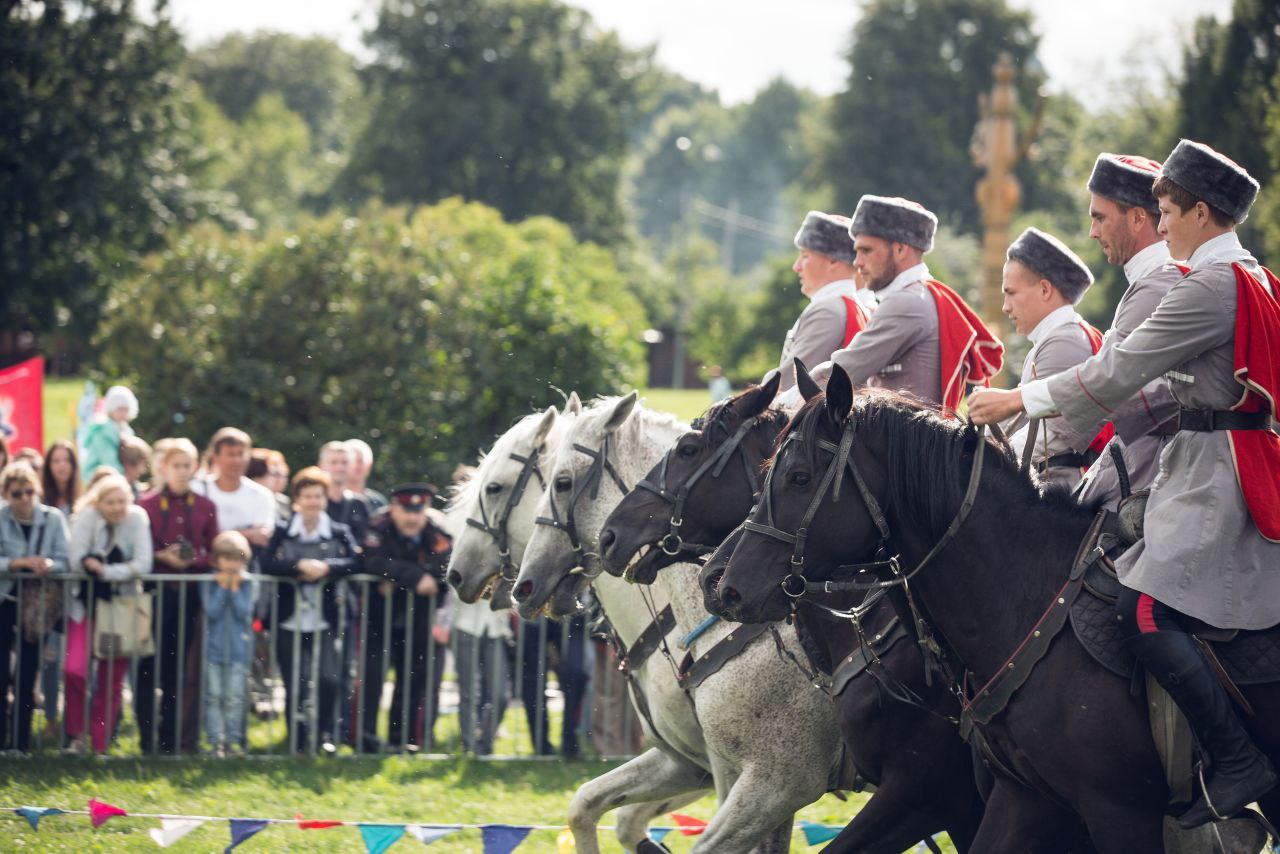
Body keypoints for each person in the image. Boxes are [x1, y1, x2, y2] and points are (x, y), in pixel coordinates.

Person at [969, 139, 1280, 827]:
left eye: (1168, 210)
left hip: (1213, 471)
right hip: (1221, 458)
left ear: (1203, 211)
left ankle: (1232, 758)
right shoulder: (1252, 278)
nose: (1160, 224)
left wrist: (1014, 402)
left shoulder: (1208, 284)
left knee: (1141, 610)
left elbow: (1117, 377)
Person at [816, 195, 1004, 411]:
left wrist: (782, 401)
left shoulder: (906, 302)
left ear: (900, 250)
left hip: (906, 443)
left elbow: (845, 371)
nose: (857, 262)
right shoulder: (919, 294)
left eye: (866, 250)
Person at [1075, 152, 1185, 508]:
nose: (1093, 232)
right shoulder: (1153, 281)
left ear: (1138, 218)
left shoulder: (1155, 285)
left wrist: (1023, 401)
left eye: (1100, 218)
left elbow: (1106, 391)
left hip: (1150, 476)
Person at [261, 467, 360, 754]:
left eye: (318, 496)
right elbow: (266, 563)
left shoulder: (339, 531)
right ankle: (298, 739)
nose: (313, 501)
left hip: (324, 618)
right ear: (297, 499)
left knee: (329, 677)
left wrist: (327, 567)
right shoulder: (282, 530)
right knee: (295, 680)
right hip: (288, 618)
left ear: (325, 499)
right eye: (307, 496)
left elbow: (357, 562)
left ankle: (323, 734)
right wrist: (297, 567)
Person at [999, 227, 1104, 489]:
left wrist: (984, 453)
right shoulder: (1052, 339)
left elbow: (1052, 435)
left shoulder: (1065, 342)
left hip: (1062, 493)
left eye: (1011, 292)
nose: (1005, 307)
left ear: (1045, 289)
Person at [135, 438, 218, 754]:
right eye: (176, 466)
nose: (182, 472)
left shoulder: (206, 506)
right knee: (147, 668)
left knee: (177, 671)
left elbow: (214, 553)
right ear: (163, 468)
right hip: (155, 594)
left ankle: (170, 742)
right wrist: (162, 557)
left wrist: (191, 560)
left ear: (195, 467)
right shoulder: (147, 505)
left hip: (189, 597)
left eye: (187, 465)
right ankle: (145, 742)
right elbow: (141, 552)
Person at [358, 484, 452, 753]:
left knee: (412, 678)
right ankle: (365, 739)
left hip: (418, 618)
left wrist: (396, 577)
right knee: (372, 678)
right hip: (377, 618)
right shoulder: (378, 527)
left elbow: (445, 565)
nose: (412, 518)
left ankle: (402, 739)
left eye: (418, 510)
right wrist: (415, 577)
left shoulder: (434, 532)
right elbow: (371, 561)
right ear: (394, 508)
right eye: (406, 511)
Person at [66, 472, 153, 754]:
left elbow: (143, 562)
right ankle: (75, 734)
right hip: (86, 605)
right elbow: (75, 560)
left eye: (122, 501)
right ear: (99, 502)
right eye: (110, 502)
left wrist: (105, 570)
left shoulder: (138, 518)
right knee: (75, 669)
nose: (117, 507)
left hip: (120, 609)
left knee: (110, 676)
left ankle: (100, 743)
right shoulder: (87, 518)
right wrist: (95, 567)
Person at [0, 462, 70, 752]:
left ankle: (21, 743)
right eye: (17, 494)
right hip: (5, 601)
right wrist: (16, 564)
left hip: (37, 607)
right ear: (6, 494)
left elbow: (67, 559)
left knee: (28, 674)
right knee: (1, 674)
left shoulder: (52, 518)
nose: (25, 498)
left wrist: (49, 564)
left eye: (30, 491)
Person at [774, 211, 870, 396]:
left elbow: (786, 383)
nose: (797, 266)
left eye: (805, 256)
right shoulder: (853, 305)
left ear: (833, 260)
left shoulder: (828, 310)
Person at [201, 531, 254, 757]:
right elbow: (211, 611)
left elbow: (245, 612)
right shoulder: (209, 582)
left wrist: (234, 589)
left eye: (237, 559)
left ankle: (233, 740)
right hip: (213, 649)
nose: (232, 564)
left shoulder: (247, 583)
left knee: (235, 697)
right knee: (214, 696)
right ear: (217, 559)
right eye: (227, 558)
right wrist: (222, 588)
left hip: (239, 650)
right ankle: (216, 741)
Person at [192, 428, 276, 549]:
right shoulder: (197, 489)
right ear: (215, 458)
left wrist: (216, 535)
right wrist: (246, 533)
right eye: (230, 454)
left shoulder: (261, 494)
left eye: (241, 454)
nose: (237, 461)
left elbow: (263, 536)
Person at [79, 385, 138, 482]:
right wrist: (127, 476)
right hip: (97, 478)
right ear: (111, 409)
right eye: (119, 409)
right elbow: (109, 461)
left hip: (118, 478)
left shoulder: (127, 431)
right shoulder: (102, 431)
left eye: (125, 409)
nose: (122, 413)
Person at [318, 440, 371, 542]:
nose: (340, 467)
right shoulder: (311, 503)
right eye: (334, 462)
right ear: (321, 465)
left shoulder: (359, 504)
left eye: (345, 462)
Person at [248, 448, 291, 522]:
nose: (276, 479)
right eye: (273, 474)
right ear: (257, 478)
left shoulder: (283, 501)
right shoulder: (247, 501)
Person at [346, 440, 388, 512]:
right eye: (351, 461)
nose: (355, 466)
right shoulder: (331, 500)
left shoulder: (378, 502)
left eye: (360, 461)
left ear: (370, 465)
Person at [42, 440, 80, 517]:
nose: (62, 465)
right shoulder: (40, 500)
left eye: (67, 460)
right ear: (48, 466)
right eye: (56, 461)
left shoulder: (82, 500)